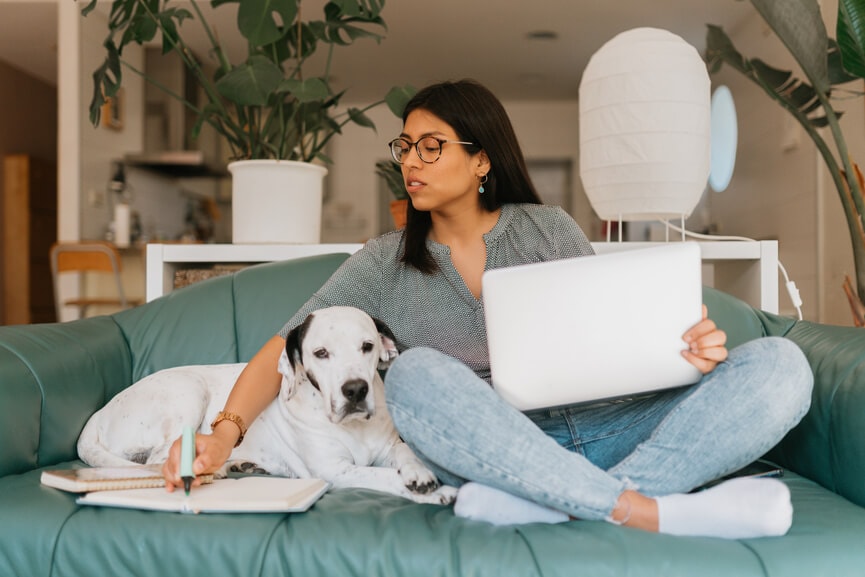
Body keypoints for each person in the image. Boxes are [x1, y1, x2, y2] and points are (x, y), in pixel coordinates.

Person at [163, 79, 813, 539]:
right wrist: (221, 436)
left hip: (607, 425)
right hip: (481, 445)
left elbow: (609, 336)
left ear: (480, 159)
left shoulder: (547, 227)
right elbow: (283, 349)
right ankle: (640, 508)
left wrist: (683, 350)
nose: (409, 162)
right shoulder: (382, 259)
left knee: (782, 365)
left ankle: (557, 500)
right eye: (404, 147)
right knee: (414, 375)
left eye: (430, 146)